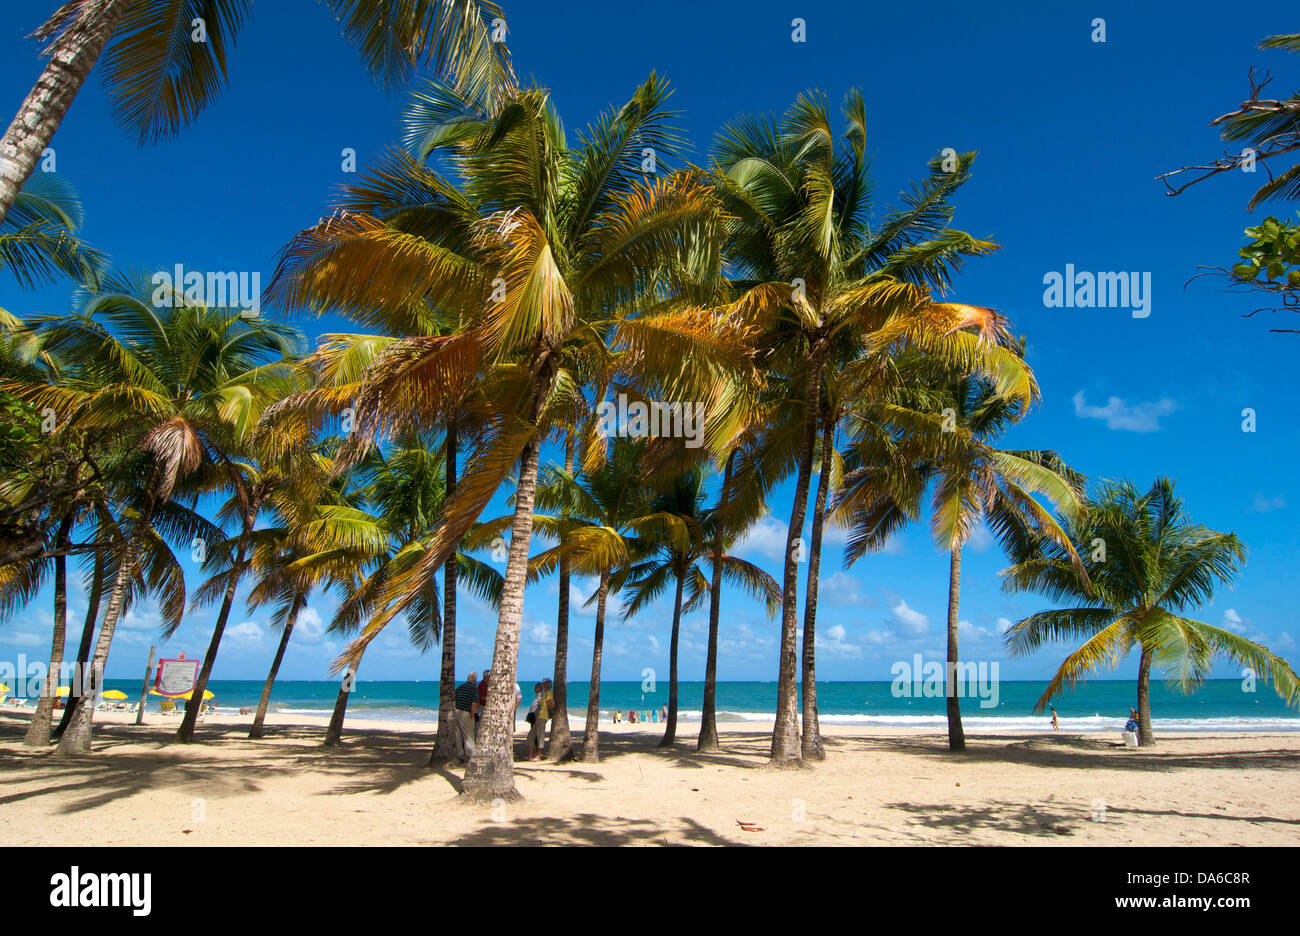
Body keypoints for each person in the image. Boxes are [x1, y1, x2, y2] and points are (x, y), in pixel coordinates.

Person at [454, 672, 478, 762]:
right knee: (468, 734)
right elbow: (474, 703)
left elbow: (454, 699)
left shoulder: (460, 687)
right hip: (466, 713)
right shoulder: (474, 689)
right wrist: (472, 716)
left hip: (456, 711)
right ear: (475, 681)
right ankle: (470, 755)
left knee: (458, 734)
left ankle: (460, 754)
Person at [527, 682, 545, 760]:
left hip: (539, 717)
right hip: (535, 717)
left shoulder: (541, 696)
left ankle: (538, 755)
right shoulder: (538, 696)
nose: (534, 689)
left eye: (536, 687)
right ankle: (531, 755)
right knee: (532, 736)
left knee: (539, 736)